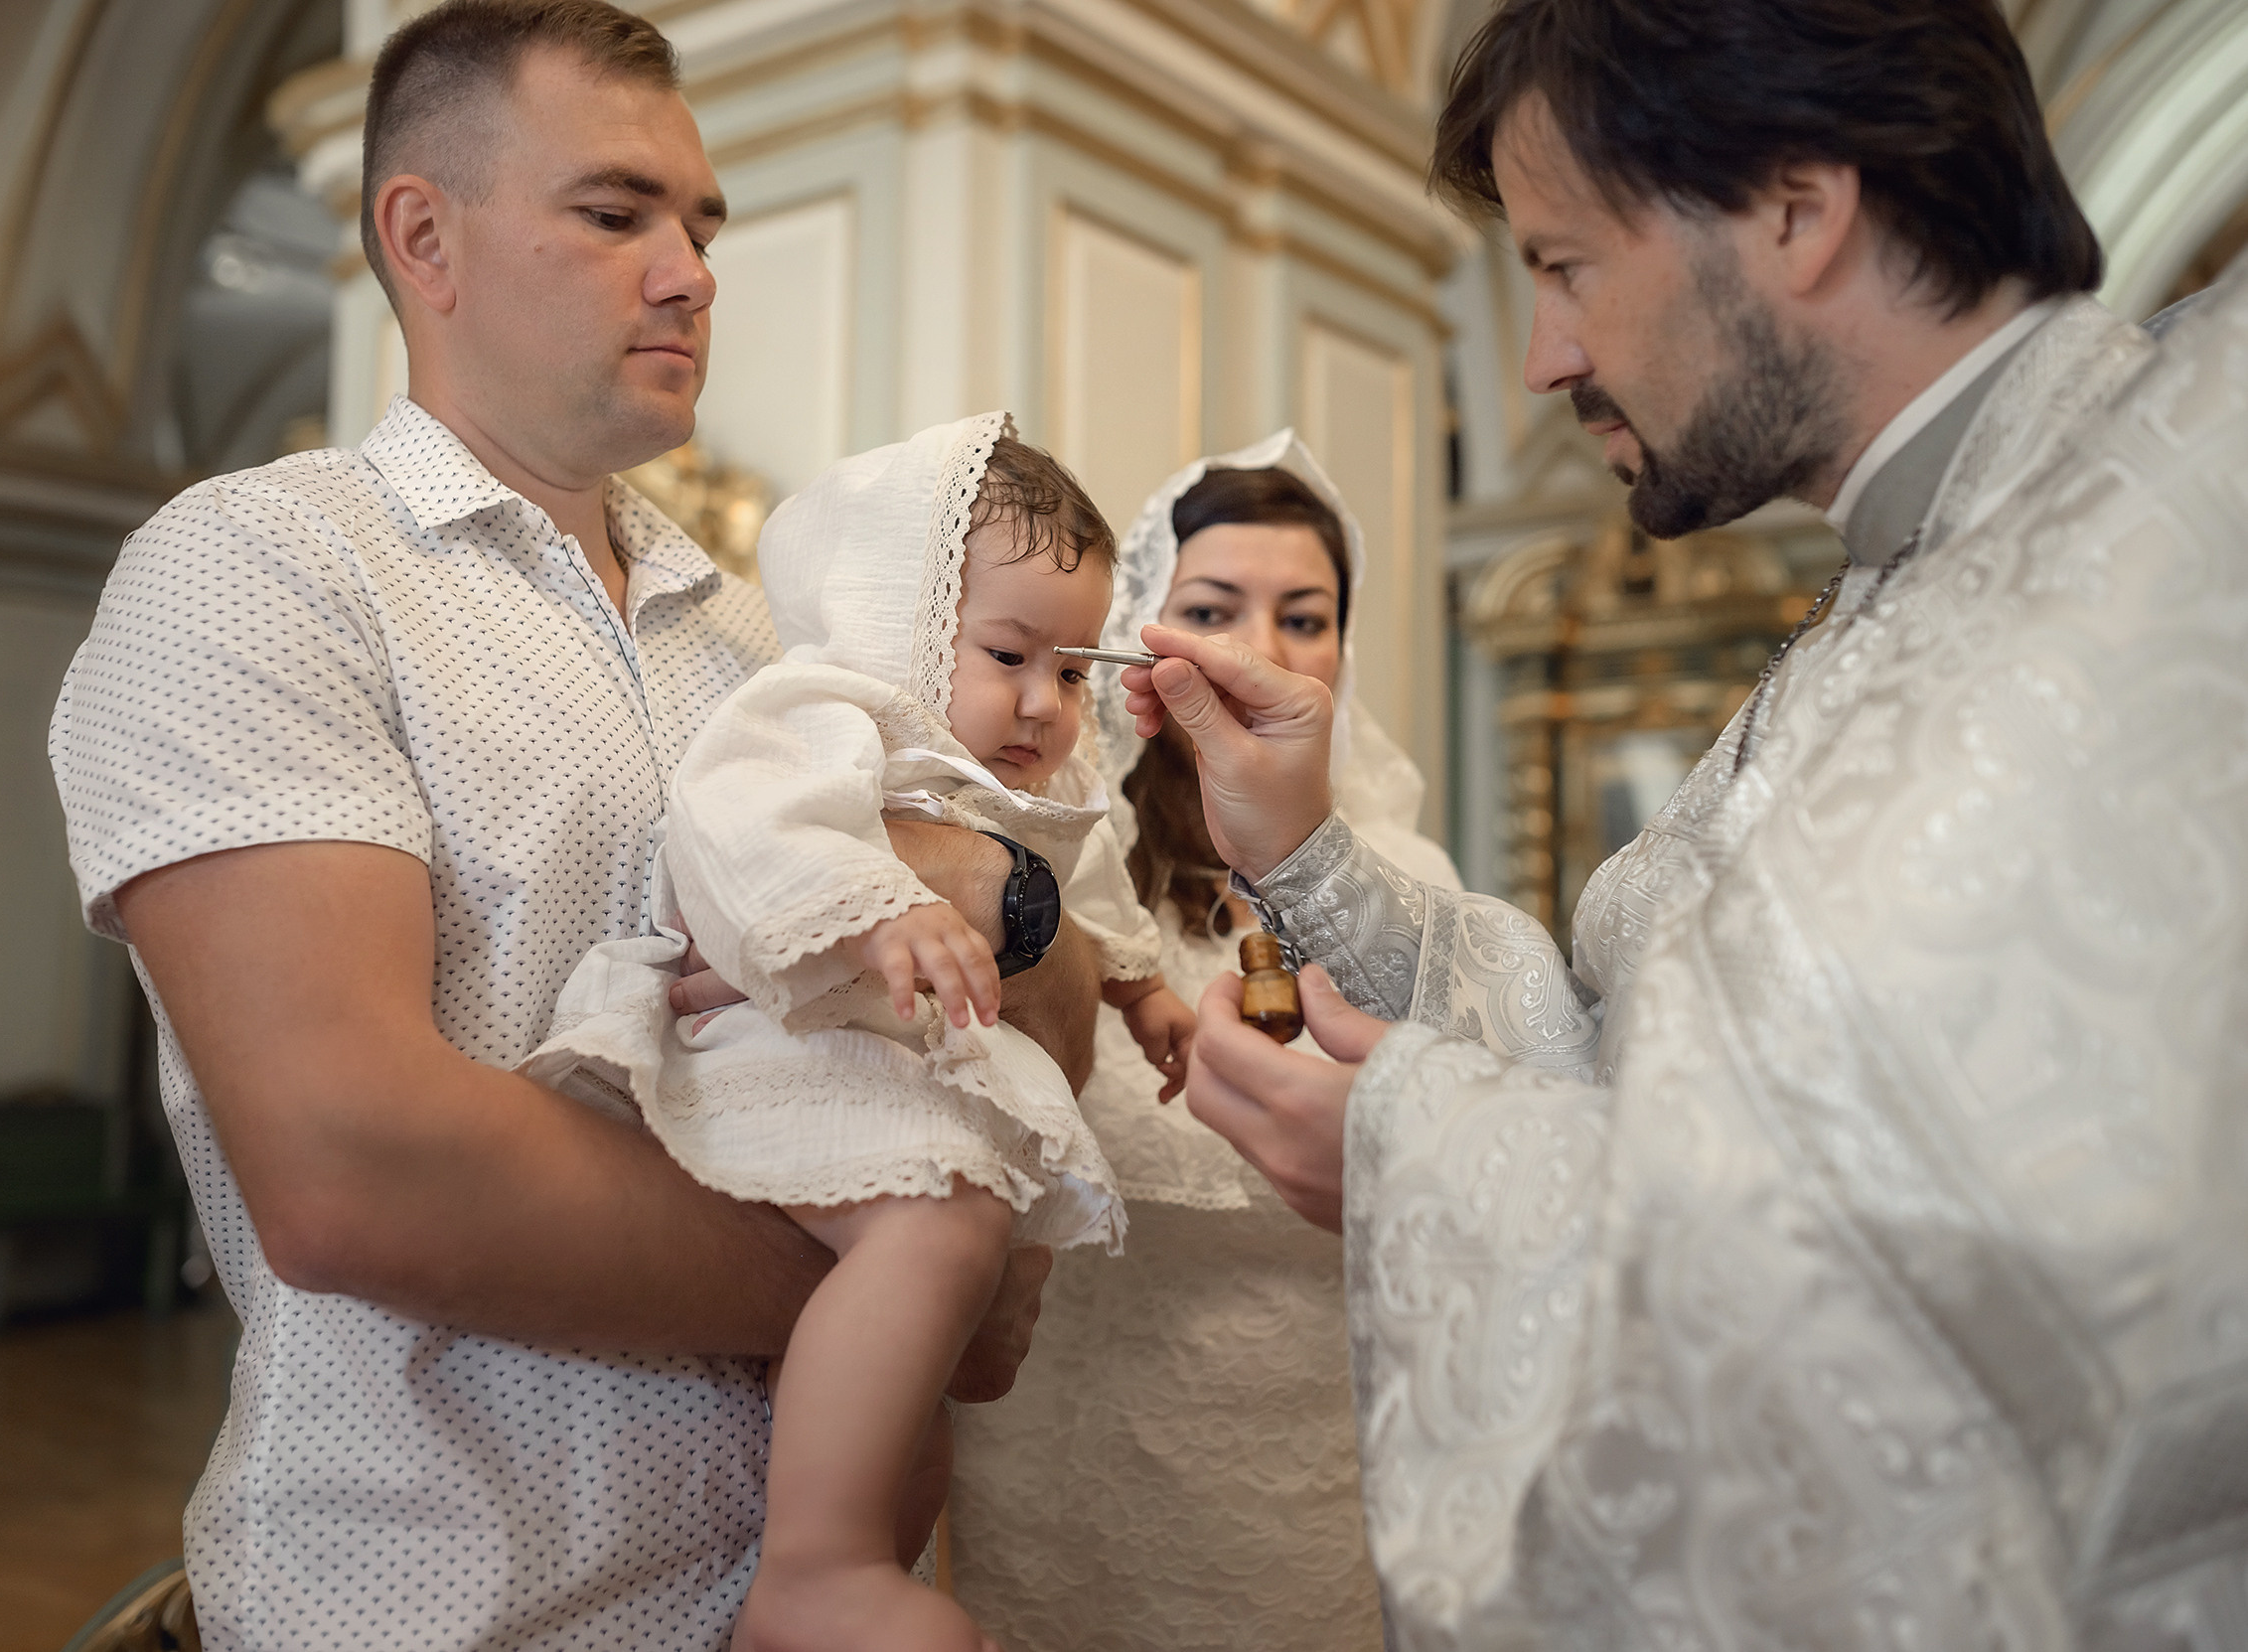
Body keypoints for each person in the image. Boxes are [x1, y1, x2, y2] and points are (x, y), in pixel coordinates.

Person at [1124, 0, 2248, 1646]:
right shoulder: (1895, 599)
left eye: (1566, 264)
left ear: (1798, 208)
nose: (1542, 358)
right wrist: (1304, 856)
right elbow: (1644, 1064)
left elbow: (1999, 1271)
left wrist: (1411, 1155)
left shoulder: (2183, 516)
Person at [46, 5, 1080, 1645]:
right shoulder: (258, 568)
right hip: (445, 1600)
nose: (690, 270)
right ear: (423, 235)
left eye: (700, 223)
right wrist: (923, 1279)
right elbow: (353, 1169)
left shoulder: (770, 639)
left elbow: (1025, 1008)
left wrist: (1004, 890)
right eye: (616, 216)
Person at [521, 413, 1194, 1652]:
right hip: (797, 1052)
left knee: (928, 1394)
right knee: (939, 1229)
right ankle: (815, 1567)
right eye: (1009, 653)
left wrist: (1143, 988)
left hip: (907, 1080)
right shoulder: (821, 716)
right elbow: (735, 835)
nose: (1045, 702)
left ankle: (864, 1574)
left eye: (1074, 670)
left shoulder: (1026, 773)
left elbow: (1085, 890)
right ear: (904, 615)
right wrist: (879, 901)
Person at [948, 433, 1458, 1648]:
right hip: (1051, 1468)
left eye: (1305, 617)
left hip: (1309, 1487)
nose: (1255, 654)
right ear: (1139, 633)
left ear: (1346, 645)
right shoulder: (1057, 870)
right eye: (1213, 610)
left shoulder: (1414, 895)